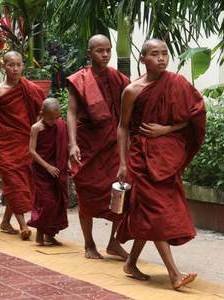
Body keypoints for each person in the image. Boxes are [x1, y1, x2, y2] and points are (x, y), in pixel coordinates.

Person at [116, 38, 206, 289]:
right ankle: (175, 275)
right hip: (141, 159)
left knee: (150, 214)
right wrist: (122, 163)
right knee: (156, 213)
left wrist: (165, 129)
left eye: (165, 54)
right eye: (155, 54)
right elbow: (122, 128)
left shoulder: (176, 83)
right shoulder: (132, 90)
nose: (162, 59)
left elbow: (194, 116)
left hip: (166, 160)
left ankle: (130, 263)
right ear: (143, 59)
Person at [67, 34, 130, 259]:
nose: (105, 55)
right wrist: (72, 144)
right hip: (87, 145)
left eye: (108, 50)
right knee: (86, 193)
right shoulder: (79, 79)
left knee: (120, 192)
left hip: (112, 145)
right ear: (89, 53)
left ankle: (113, 242)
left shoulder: (119, 78)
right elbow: (72, 112)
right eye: (99, 51)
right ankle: (89, 243)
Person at [0, 51, 45, 241]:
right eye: (11, 65)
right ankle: (23, 225)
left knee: (18, 184)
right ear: (4, 67)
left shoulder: (31, 88)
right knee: (13, 181)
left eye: (18, 64)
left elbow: (41, 114)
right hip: (6, 142)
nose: (15, 68)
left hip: (26, 141)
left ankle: (5, 221)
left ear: (23, 66)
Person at [28, 98, 69, 246]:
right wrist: (47, 167)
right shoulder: (36, 128)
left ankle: (50, 235)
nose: (54, 121)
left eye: (56, 118)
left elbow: (65, 146)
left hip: (58, 169)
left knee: (57, 203)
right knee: (46, 202)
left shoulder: (60, 125)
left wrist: (67, 162)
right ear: (42, 113)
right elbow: (31, 151)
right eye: (50, 118)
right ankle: (40, 233)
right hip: (42, 170)